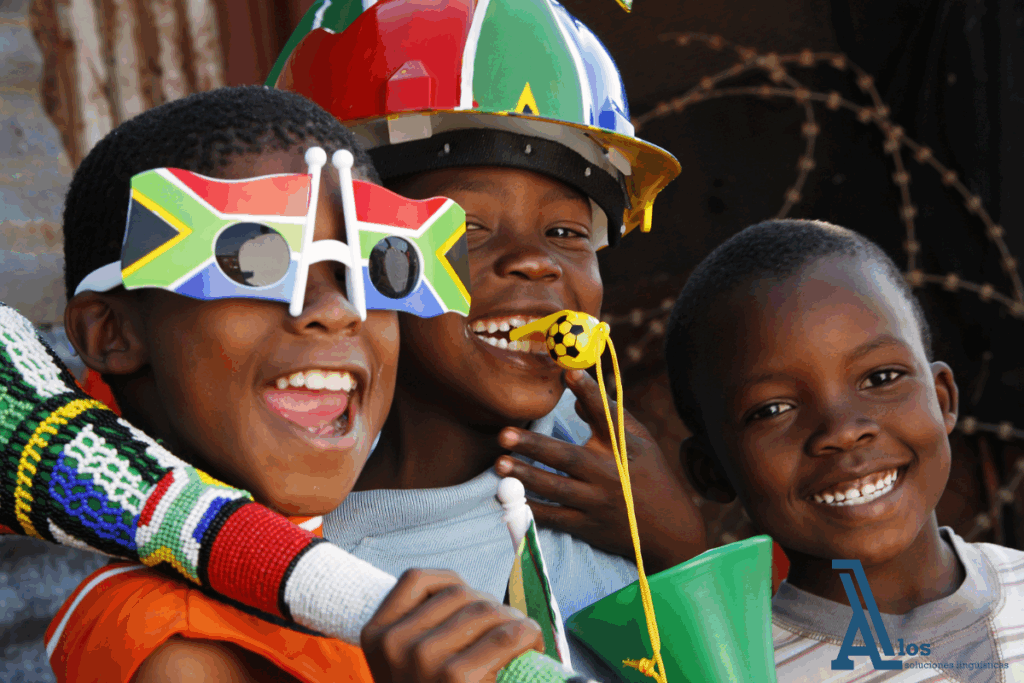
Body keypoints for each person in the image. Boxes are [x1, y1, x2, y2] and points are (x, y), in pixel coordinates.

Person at [46, 85, 547, 683]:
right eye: (254, 259)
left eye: (374, 270)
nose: (336, 310)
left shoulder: (352, 567)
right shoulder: (178, 648)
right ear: (112, 332)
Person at [269, 0, 708, 642]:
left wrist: (679, 547)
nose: (535, 261)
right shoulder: (319, 580)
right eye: (466, 227)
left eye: (567, 231)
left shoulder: (611, 481)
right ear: (343, 255)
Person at [663, 218, 1024, 680]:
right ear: (709, 470)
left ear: (943, 397)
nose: (843, 431)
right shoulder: (746, 673)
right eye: (773, 409)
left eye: (881, 378)